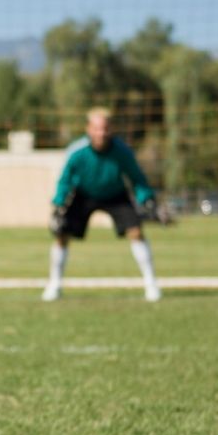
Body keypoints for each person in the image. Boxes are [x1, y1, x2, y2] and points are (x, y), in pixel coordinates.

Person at [43, 107, 165, 302]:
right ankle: (54, 284)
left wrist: (146, 198)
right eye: (97, 128)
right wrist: (58, 204)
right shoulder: (77, 151)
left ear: (111, 129)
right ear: (88, 129)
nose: (101, 133)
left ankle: (151, 284)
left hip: (115, 193)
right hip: (83, 194)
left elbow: (136, 178)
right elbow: (65, 179)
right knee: (61, 234)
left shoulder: (122, 152)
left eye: (105, 128)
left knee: (136, 231)